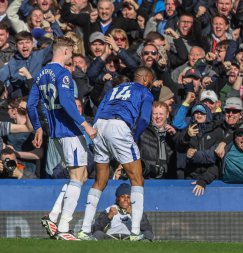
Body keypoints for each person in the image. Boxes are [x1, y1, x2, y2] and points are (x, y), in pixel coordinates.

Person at [27, 37, 96, 240]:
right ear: (65, 52)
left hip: (56, 132)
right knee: (77, 177)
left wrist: (38, 128)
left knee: (81, 175)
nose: (72, 58)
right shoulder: (63, 72)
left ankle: (53, 216)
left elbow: (31, 105)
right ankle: (64, 227)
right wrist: (85, 125)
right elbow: (67, 101)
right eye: (72, 54)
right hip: (69, 130)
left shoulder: (39, 74)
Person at [78, 66, 154, 241]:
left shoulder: (114, 89)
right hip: (119, 126)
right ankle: (135, 232)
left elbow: (99, 111)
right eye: (149, 81)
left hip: (100, 126)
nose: (150, 85)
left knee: (100, 180)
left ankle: (84, 231)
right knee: (137, 178)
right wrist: (133, 136)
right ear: (145, 79)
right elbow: (144, 119)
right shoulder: (144, 91)